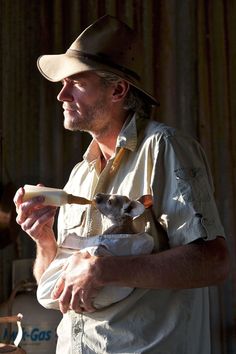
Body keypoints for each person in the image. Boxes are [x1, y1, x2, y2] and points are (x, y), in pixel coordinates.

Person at [14, 15, 229, 354]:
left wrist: (104, 269)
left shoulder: (164, 148)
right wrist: (43, 240)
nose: (62, 95)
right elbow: (54, 290)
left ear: (117, 90)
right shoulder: (78, 175)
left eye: (76, 83)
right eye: (62, 84)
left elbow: (213, 261)